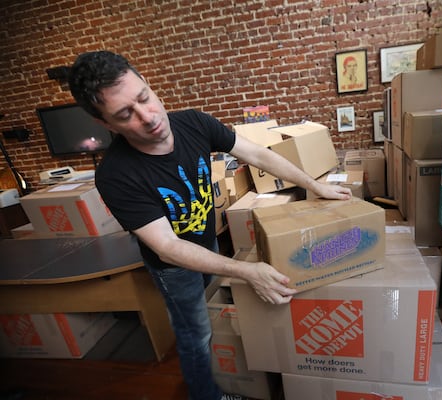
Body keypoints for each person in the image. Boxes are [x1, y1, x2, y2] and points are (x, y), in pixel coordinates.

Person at [68, 51, 351, 400]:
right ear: (107, 125)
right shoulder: (116, 174)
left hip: (207, 245)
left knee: (215, 314)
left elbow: (259, 155)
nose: (148, 117)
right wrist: (247, 272)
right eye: (126, 114)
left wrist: (316, 186)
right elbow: (168, 247)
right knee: (195, 335)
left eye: (144, 98)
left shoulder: (193, 123)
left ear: (149, 86)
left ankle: (226, 378)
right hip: (173, 268)